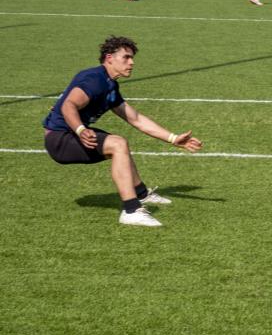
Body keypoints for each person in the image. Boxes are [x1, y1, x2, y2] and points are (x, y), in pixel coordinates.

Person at [42, 36, 203, 227]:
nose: (131, 62)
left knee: (120, 146)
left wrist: (173, 138)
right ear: (109, 58)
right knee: (118, 144)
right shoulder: (94, 80)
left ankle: (141, 194)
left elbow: (136, 119)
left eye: (132, 57)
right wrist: (81, 129)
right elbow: (68, 105)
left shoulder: (110, 84)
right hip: (60, 139)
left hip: (71, 134)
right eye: (126, 57)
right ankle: (131, 210)